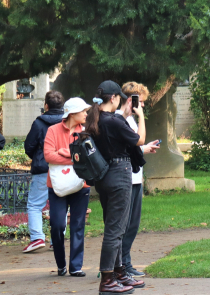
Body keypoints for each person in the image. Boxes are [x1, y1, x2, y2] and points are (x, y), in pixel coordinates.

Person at [86, 81, 145, 294]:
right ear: (113, 98)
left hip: (104, 176)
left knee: (115, 228)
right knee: (115, 230)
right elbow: (140, 140)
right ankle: (108, 280)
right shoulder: (114, 121)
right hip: (119, 175)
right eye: (118, 97)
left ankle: (119, 274)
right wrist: (141, 117)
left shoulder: (95, 119)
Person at [43, 97, 91, 276]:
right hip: (57, 186)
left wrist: (62, 153)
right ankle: (61, 264)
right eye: (83, 111)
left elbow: (87, 157)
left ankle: (76, 267)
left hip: (81, 184)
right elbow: (48, 156)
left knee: (78, 226)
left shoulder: (86, 133)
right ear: (72, 113)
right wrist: (72, 154)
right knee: (56, 224)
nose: (86, 114)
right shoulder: (52, 131)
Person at [115, 82, 159, 277]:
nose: (141, 106)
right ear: (128, 100)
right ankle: (121, 265)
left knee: (133, 224)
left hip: (135, 177)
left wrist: (144, 147)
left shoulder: (131, 120)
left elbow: (135, 144)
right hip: (125, 178)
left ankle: (126, 262)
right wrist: (143, 147)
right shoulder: (119, 119)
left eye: (142, 102)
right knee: (124, 225)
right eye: (138, 102)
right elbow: (130, 145)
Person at [22, 91, 65, 253]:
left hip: (43, 168)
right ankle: (57, 239)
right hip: (63, 168)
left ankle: (37, 238)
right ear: (62, 105)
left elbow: (29, 146)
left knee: (35, 205)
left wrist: (38, 155)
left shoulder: (39, 123)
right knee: (60, 204)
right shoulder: (67, 122)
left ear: (46, 105)